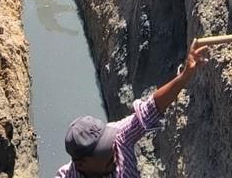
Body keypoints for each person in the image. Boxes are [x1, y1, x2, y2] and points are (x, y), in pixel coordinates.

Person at [55, 43, 209, 178]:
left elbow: (152, 107)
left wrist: (184, 76)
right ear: (82, 164)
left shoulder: (119, 137)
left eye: (109, 144)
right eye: (103, 151)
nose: (112, 152)